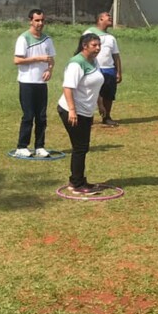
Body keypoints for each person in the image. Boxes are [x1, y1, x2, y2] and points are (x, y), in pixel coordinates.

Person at [57, 32, 106, 194]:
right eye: (94, 45)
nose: (98, 48)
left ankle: (79, 179)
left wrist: (100, 104)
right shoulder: (76, 64)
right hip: (72, 111)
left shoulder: (94, 61)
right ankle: (76, 184)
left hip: (86, 111)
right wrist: (72, 110)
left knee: (83, 147)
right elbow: (68, 87)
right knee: (80, 147)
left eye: (99, 45)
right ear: (84, 46)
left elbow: (96, 85)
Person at [13, 9, 56, 158]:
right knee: (28, 115)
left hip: (41, 83)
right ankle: (21, 146)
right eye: (37, 20)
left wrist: (49, 70)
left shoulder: (47, 39)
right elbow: (17, 60)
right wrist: (38, 59)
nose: (40, 23)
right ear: (31, 21)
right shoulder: (23, 38)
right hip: (27, 82)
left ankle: (39, 146)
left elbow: (51, 60)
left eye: (42, 20)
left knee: (41, 116)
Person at [84, 12, 122, 126]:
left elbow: (116, 55)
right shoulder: (89, 33)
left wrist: (118, 72)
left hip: (109, 69)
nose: (111, 18)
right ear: (100, 19)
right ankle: (88, 117)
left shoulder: (111, 38)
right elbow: (83, 51)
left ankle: (106, 117)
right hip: (93, 68)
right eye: (108, 16)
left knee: (108, 95)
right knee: (91, 94)